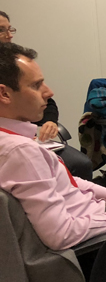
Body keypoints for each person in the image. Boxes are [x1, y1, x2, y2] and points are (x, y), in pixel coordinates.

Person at [0, 43, 106, 252]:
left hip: (94, 213)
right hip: (94, 239)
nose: (49, 92)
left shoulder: (15, 142)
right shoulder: (20, 152)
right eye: (36, 85)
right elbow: (61, 235)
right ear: (4, 94)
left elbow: (61, 181)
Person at [0, 10, 94, 180]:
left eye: (9, 29)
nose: (8, 36)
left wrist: (49, 121)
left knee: (80, 164)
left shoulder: (18, 63)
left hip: (27, 138)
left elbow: (48, 102)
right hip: (13, 143)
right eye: (1, 30)